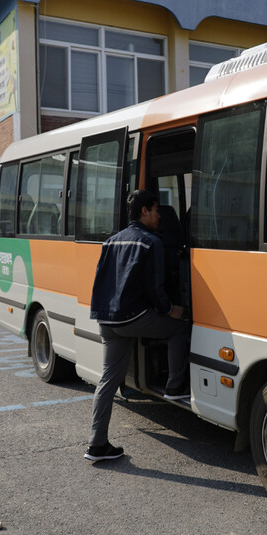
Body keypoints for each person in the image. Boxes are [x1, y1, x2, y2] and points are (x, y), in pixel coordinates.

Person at [84, 189, 190, 461]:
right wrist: (170, 310)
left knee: (107, 381)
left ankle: (97, 445)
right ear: (144, 211)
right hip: (133, 317)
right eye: (156, 210)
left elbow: (99, 280)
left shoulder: (111, 241)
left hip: (106, 319)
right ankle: (175, 388)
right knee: (178, 328)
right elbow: (155, 287)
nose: (158, 216)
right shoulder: (150, 242)